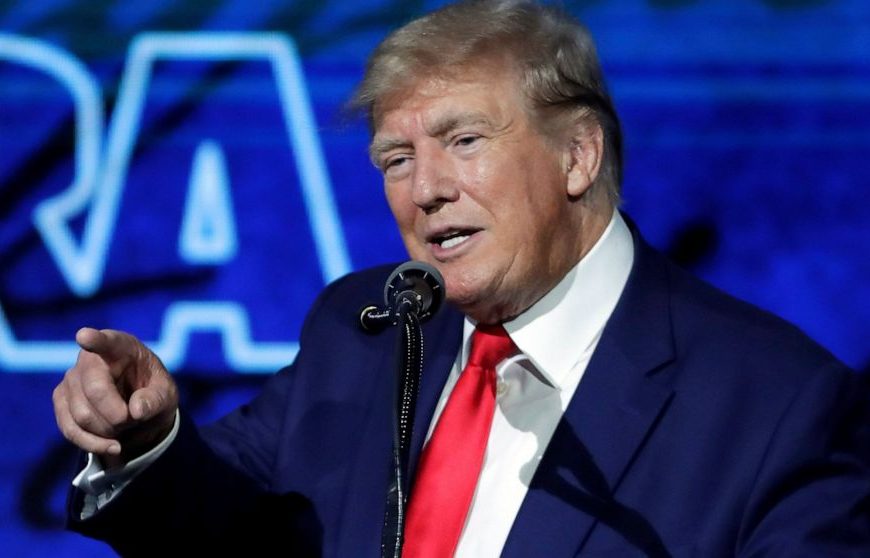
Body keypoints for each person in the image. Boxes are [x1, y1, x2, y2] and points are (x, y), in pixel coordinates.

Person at [53, 1, 870, 556]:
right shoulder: (364, 328)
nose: (425, 189)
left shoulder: (780, 405)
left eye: (464, 141)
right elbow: (227, 522)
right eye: (396, 159)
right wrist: (145, 442)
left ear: (577, 155)